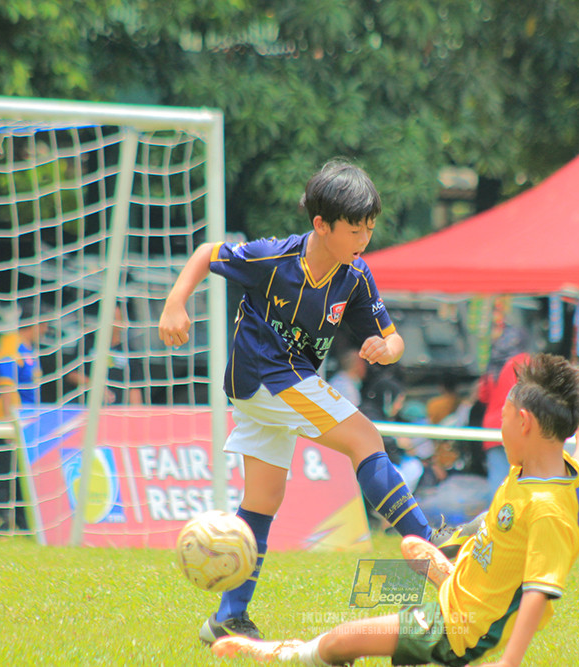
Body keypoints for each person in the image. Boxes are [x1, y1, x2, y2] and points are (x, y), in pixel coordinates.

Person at [158, 159, 439, 645]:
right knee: (365, 439)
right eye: (355, 229)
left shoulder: (355, 275)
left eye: (370, 228)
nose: (364, 239)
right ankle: (435, 554)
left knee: (263, 500)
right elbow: (207, 253)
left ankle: (228, 618)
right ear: (322, 225)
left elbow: (392, 338)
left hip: (277, 387)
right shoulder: (273, 258)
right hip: (264, 376)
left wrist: (386, 349)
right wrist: (174, 303)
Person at [213, 353, 579, 666]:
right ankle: (447, 570)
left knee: (342, 639)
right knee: (440, 540)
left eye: (503, 419)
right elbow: (576, 470)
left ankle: (277, 654)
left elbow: (538, 592)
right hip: (465, 594)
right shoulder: (545, 471)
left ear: (524, 423)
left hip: (461, 628)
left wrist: (509, 661)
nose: (499, 429)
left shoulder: (548, 510)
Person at [0, 300, 49, 530]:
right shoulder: (10, 344)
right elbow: (6, 386)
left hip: (27, 421)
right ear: (36, 323)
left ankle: (24, 524)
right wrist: (9, 423)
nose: (46, 330)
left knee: (23, 475)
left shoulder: (28, 348)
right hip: (9, 421)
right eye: (44, 325)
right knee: (5, 472)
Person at [65, 302, 144, 405]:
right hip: (88, 406)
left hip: (117, 408)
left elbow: (135, 389)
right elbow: (71, 374)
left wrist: (136, 412)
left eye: (113, 318)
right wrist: (95, 385)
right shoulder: (88, 343)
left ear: (122, 323)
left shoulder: (130, 352)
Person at [479, 351, 531, 492]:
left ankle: (497, 506)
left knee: (498, 479)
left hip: (491, 428)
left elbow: (483, 395)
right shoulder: (524, 361)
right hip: (516, 425)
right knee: (523, 480)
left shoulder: (494, 363)